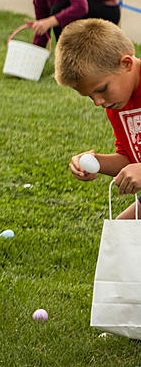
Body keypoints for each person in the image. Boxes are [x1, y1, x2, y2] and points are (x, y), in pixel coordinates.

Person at [62, 20, 141, 220]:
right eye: (90, 96)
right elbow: (130, 157)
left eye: (101, 89)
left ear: (126, 64)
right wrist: (96, 163)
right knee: (118, 241)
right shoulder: (117, 103)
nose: (98, 102)